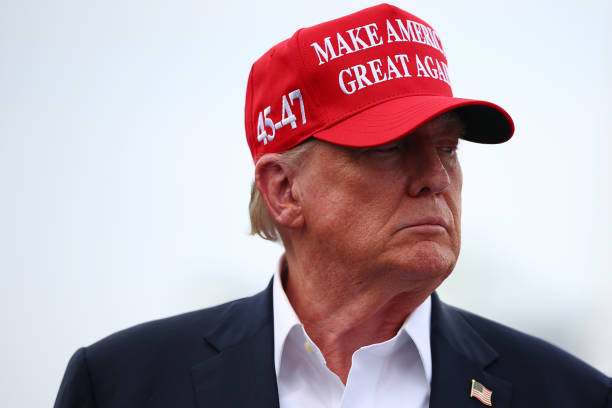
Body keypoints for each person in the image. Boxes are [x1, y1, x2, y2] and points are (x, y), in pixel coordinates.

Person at [54, 4, 611, 407]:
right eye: (390, 149)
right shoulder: (120, 385)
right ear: (284, 191)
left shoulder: (574, 395)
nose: (436, 178)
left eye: (447, 148)